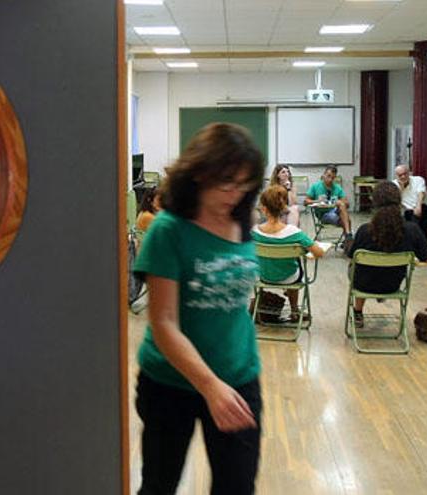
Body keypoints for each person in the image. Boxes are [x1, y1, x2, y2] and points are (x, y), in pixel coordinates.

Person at [132, 122, 265, 494]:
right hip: (170, 382)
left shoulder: (243, 220)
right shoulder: (169, 230)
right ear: (199, 173)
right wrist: (209, 386)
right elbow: (164, 323)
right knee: (160, 484)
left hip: (239, 377)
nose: (235, 194)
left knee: (237, 486)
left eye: (244, 184)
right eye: (227, 183)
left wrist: (225, 383)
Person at [347, 182, 427, 327]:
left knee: (356, 267)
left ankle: (358, 311)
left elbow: (351, 255)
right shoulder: (412, 230)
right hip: (392, 284)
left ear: (375, 202)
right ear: (399, 201)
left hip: (363, 284)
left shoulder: (365, 230)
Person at [251, 185, 325, 321]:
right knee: (294, 268)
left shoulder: (254, 232)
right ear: (284, 207)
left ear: (263, 208)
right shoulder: (294, 232)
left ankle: (260, 307)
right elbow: (319, 253)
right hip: (289, 277)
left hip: (263, 277)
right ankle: (295, 311)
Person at [304, 165, 352, 241]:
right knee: (347, 221)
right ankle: (348, 237)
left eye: (332, 178)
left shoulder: (337, 187)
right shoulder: (315, 186)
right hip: (323, 214)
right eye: (328, 176)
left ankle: (348, 236)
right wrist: (318, 201)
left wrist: (339, 202)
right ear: (324, 175)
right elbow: (306, 201)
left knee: (341, 205)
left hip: (336, 211)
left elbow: (347, 203)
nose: (330, 179)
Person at [393, 164, 427, 241]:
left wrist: (418, 206)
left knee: (416, 216)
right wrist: (401, 188)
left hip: (423, 207)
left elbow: (421, 193)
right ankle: (419, 241)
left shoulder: (418, 180)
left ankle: (417, 241)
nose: (403, 177)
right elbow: (395, 200)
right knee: (410, 216)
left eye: (405, 174)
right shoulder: (394, 184)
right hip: (407, 211)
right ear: (396, 176)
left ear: (409, 173)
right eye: (400, 175)